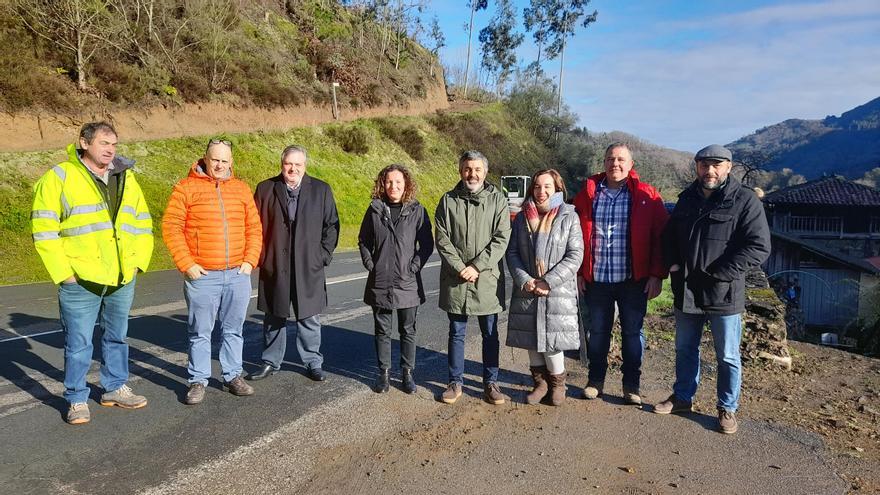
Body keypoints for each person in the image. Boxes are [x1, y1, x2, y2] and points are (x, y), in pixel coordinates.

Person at [32, 121, 154, 424]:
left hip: (122, 276)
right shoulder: (59, 177)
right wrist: (64, 274)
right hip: (80, 279)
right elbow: (44, 230)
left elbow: (142, 222)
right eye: (103, 143)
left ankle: (114, 387)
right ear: (84, 143)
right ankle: (76, 398)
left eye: (114, 143)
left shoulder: (125, 177)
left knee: (117, 337)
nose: (110, 149)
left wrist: (138, 262)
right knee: (78, 343)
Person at [657, 144, 771, 434]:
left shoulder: (745, 201)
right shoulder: (686, 199)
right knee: (684, 348)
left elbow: (759, 247)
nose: (709, 171)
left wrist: (722, 274)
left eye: (716, 165)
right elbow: (668, 236)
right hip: (688, 289)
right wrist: (671, 264)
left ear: (728, 168)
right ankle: (683, 397)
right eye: (704, 165)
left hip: (724, 292)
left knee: (728, 356)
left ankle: (727, 408)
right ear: (696, 166)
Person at [162, 139, 262, 405]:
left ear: (231, 163)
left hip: (237, 274)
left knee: (233, 330)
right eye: (215, 159)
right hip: (203, 276)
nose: (219, 165)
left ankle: (232, 375)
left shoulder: (241, 189)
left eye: (224, 161)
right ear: (205, 159)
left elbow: (254, 228)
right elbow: (171, 227)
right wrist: (187, 264)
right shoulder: (186, 188)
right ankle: (198, 380)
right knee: (200, 332)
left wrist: (250, 262)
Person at [572, 142, 668, 405]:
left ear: (631, 164)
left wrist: (657, 275)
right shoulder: (588, 194)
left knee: (632, 333)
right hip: (598, 279)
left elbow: (662, 238)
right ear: (604, 163)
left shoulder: (647, 196)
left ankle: (631, 386)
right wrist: (579, 272)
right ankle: (595, 382)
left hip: (632, 280)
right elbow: (576, 236)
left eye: (621, 159)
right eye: (610, 159)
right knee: (598, 333)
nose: (615, 164)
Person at [246, 145, 339, 383]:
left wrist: (323, 256)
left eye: (298, 165)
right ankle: (270, 361)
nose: (293, 169)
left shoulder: (321, 190)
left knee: (309, 316)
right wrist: (260, 258)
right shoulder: (266, 188)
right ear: (282, 164)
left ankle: (312, 362)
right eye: (289, 164)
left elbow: (332, 226)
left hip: (309, 264)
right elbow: (254, 227)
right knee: (274, 315)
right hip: (275, 263)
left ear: (304, 166)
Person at [435, 150, 511, 405]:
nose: (472, 174)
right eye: (468, 169)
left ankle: (491, 383)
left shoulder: (498, 200)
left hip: (487, 279)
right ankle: (455, 382)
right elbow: (442, 238)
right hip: (456, 279)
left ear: (485, 172)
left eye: (477, 169)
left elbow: (501, 238)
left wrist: (477, 266)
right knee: (456, 331)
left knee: (490, 333)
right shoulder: (447, 200)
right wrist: (460, 267)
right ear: (460, 170)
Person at [506, 169, 583, 406]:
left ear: (558, 189)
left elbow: (575, 255)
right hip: (527, 288)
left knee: (553, 343)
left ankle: (558, 385)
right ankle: (540, 384)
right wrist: (525, 280)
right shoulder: (521, 217)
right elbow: (512, 252)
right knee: (530, 339)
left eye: (547, 187)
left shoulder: (569, 216)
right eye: (537, 187)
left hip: (556, 290)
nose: (541, 192)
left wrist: (548, 281)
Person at [358, 164, 434, 394]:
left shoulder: (417, 210)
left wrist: (414, 266)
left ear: (406, 184)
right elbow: (363, 241)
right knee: (382, 331)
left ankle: (407, 373)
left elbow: (427, 244)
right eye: (389, 182)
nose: (394, 186)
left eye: (398, 182)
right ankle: (384, 373)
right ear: (383, 184)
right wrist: (371, 265)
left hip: (408, 282)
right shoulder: (374, 209)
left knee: (407, 330)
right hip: (380, 281)